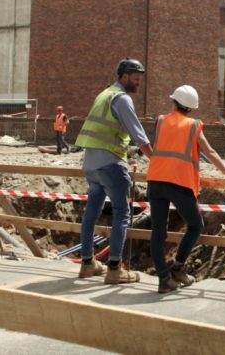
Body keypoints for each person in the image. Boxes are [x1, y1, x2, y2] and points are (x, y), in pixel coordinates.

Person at [147, 84, 225, 293]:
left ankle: (164, 279)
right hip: (179, 183)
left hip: (156, 181)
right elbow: (210, 151)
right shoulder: (193, 125)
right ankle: (178, 267)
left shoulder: (161, 121)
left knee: (157, 234)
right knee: (195, 226)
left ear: (174, 102)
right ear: (191, 108)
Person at [74, 58, 153, 284]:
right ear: (123, 76)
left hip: (91, 163)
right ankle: (115, 268)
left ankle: (88, 263)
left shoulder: (104, 94)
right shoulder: (122, 99)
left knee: (91, 212)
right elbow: (139, 135)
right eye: (135, 77)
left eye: (140, 78)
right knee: (122, 214)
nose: (138, 81)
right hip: (110, 162)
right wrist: (155, 160)